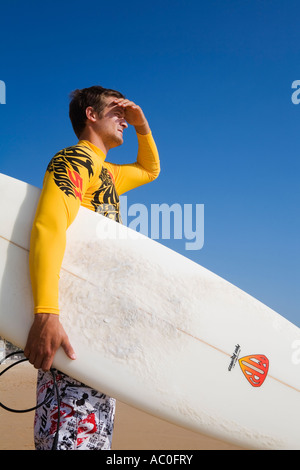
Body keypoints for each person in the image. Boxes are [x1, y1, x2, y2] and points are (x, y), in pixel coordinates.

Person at [24, 85, 160, 450]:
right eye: (117, 110)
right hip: (69, 331)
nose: (125, 120)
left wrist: (142, 124)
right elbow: (48, 227)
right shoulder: (73, 161)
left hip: (97, 341)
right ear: (91, 115)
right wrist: (46, 313)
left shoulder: (109, 175)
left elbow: (149, 170)